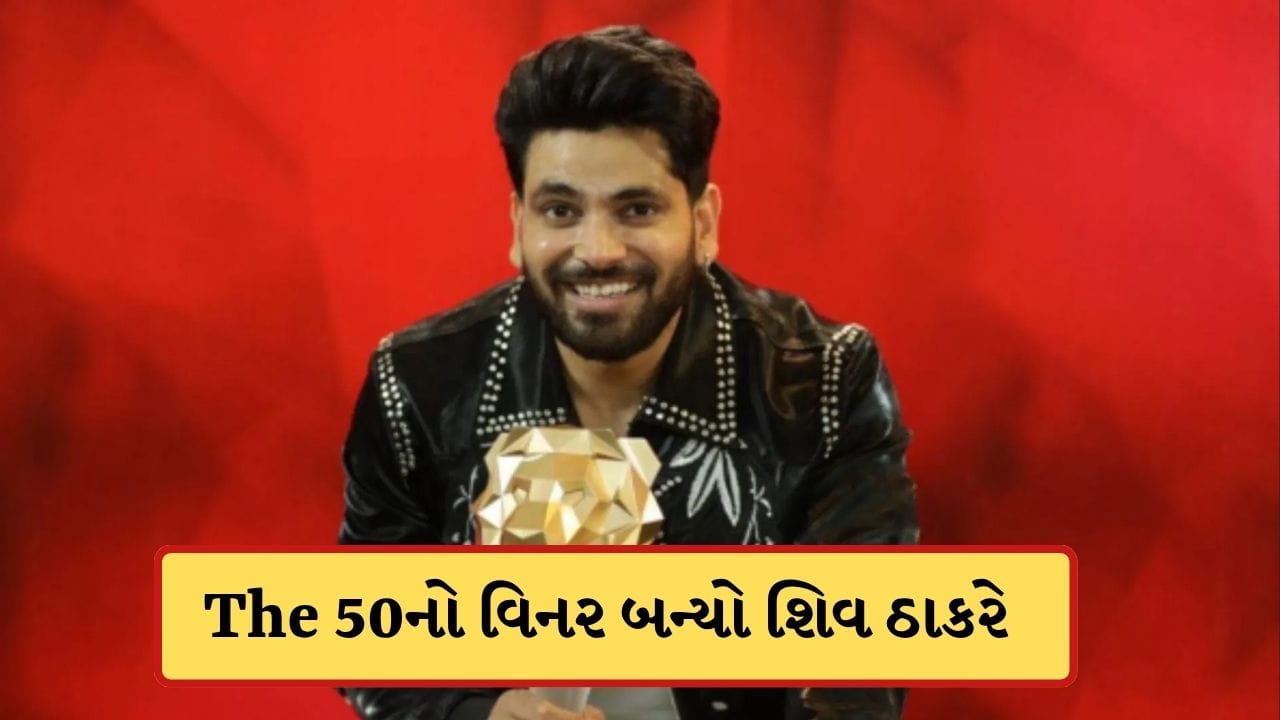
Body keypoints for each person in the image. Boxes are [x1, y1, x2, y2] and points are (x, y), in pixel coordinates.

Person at [339, 25, 918, 720]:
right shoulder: (419, 383)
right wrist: (478, 715)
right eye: (561, 211)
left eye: (637, 209)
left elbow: (856, 671)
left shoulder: (821, 381)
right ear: (519, 225)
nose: (598, 250)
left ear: (704, 223)